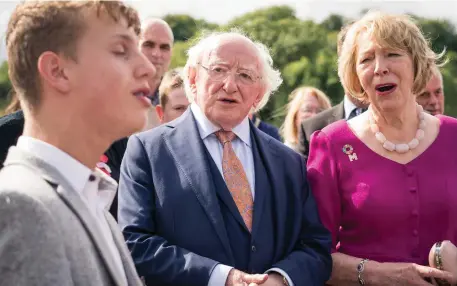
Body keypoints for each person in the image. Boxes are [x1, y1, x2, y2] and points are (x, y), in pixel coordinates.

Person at [118, 31, 332, 286]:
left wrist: (280, 279)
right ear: (194, 79)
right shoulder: (147, 150)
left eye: (245, 75)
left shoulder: (289, 163)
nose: (230, 85)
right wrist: (221, 277)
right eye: (219, 70)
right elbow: (134, 242)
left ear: (259, 93)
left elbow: (315, 247)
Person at [0, 1, 155, 285]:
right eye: (121, 51)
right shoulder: (19, 205)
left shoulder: (97, 204)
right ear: (57, 70)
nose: (147, 67)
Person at [307, 11, 457, 285]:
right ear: (355, 75)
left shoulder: (454, 135)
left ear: (417, 63)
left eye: (392, 54)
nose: (379, 68)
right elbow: (313, 253)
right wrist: (379, 274)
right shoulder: (333, 144)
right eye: (366, 59)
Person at [296, 23, 368, 159]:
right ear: (340, 65)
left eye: (366, 58)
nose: (357, 68)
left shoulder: (403, 122)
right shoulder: (312, 129)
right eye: (351, 59)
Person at [140, 18, 174, 129]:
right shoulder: (115, 93)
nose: (156, 53)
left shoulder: (183, 97)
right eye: (149, 45)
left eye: (164, 47)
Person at [280, 86, 331, 151]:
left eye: (320, 111)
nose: (314, 116)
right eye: (307, 110)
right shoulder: (284, 155)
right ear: (295, 117)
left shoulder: (337, 153)